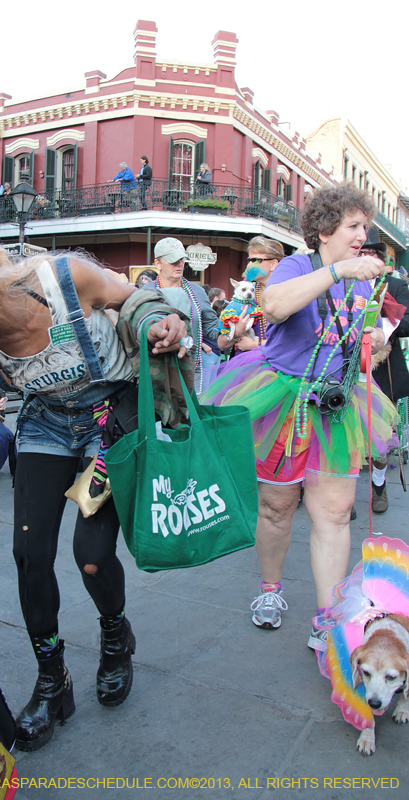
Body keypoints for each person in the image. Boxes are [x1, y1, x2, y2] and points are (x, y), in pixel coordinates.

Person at [0, 215, 188, 753]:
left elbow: (137, 299)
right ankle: (52, 679)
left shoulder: (64, 279)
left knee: (91, 554)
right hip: (45, 422)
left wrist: (164, 323)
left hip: (110, 416)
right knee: (29, 553)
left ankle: (116, 635)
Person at [202, 184, 397, 651]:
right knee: (276, 507)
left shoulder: (365, 279)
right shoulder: (296, 264)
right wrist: (339, 271)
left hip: (336, 405)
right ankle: (271, 590)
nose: (361, 235)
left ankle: (329, 617)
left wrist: (374, 342)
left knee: (332, 514)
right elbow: (274, 305)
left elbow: (362, 341)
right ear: (326, 229)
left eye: (364, 227)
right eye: (354, 226)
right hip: (280, 401)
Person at [145, 237, 250, 394]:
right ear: (158, 263)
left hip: (192, 371)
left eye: (181, 259)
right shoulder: (146, 292)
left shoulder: (197, 292)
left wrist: (233, 330)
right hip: (157, 373)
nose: (179, 264)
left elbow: (214, 331)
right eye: (173, 260)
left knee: (193, 415)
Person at [359, 226, 409, 513]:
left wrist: (383, 326)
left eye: (370, 253)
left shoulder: (395, 286)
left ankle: (379, 488)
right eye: (361, 252)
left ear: (380, 258)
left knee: (380, 436)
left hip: (383, 371)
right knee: (345, 434)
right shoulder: (345, 283)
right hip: (348, 370)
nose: (365, 257)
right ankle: (342, 493)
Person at [234, 236, 285, 353]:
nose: (250, 265)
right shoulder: (245, 292)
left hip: (277, 362)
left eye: (256, 260)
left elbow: (294, 338)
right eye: (249, 260)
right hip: (244, 363)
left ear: (273, 264)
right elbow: (222, 342)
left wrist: (256, 344)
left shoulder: (287, 292)